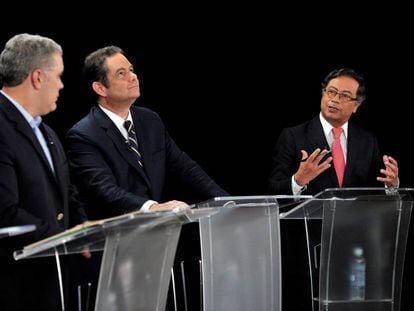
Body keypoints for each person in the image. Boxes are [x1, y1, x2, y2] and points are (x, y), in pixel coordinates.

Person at [65, 45, 229, 308]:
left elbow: (185, 167)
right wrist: (152, 207)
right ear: (100, 88)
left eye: (131, 69)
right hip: (113, 248)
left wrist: (226, 201)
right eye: (121, 73)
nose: (133, 76)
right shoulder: (84, 134)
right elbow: (104, 189)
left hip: (155, 243)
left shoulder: (150, 120)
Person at [267, 67, 400, 311]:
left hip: (354, 249)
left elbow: (375, 191)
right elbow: (274, 190)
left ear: (356, 105)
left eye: (344, 96)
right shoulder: (293, 136)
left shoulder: (367, 141)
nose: (335, 100)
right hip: (307, 251)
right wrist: (298, 179)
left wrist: (392, 186)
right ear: (323, 94)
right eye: (331, 92)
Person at [0, 33, 88, 310]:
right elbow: (5, 212)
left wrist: (83, 230)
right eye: (59, 76)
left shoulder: (47, 132)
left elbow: (67, 192)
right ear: (37, 77)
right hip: (13, 286)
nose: (62, 86)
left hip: (51, 281)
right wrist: (63, 236)